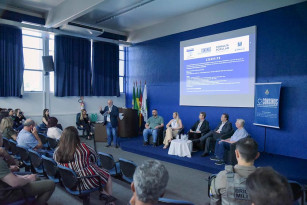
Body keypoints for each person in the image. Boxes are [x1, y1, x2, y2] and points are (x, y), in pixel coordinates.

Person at [54, 126, 116, 203]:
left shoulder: (57, 151)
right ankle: (110, 200)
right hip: (83, 181)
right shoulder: (83, 147)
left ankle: (104, 193)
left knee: (94, 169)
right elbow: (95, 158)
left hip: (68, 181)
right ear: (76, 136)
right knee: (107, 174)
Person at [209, 137, 260, 205]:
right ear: (257, 155)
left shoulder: (222, 177)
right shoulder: (267, 180)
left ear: (236, 153)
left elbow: (214, 202)